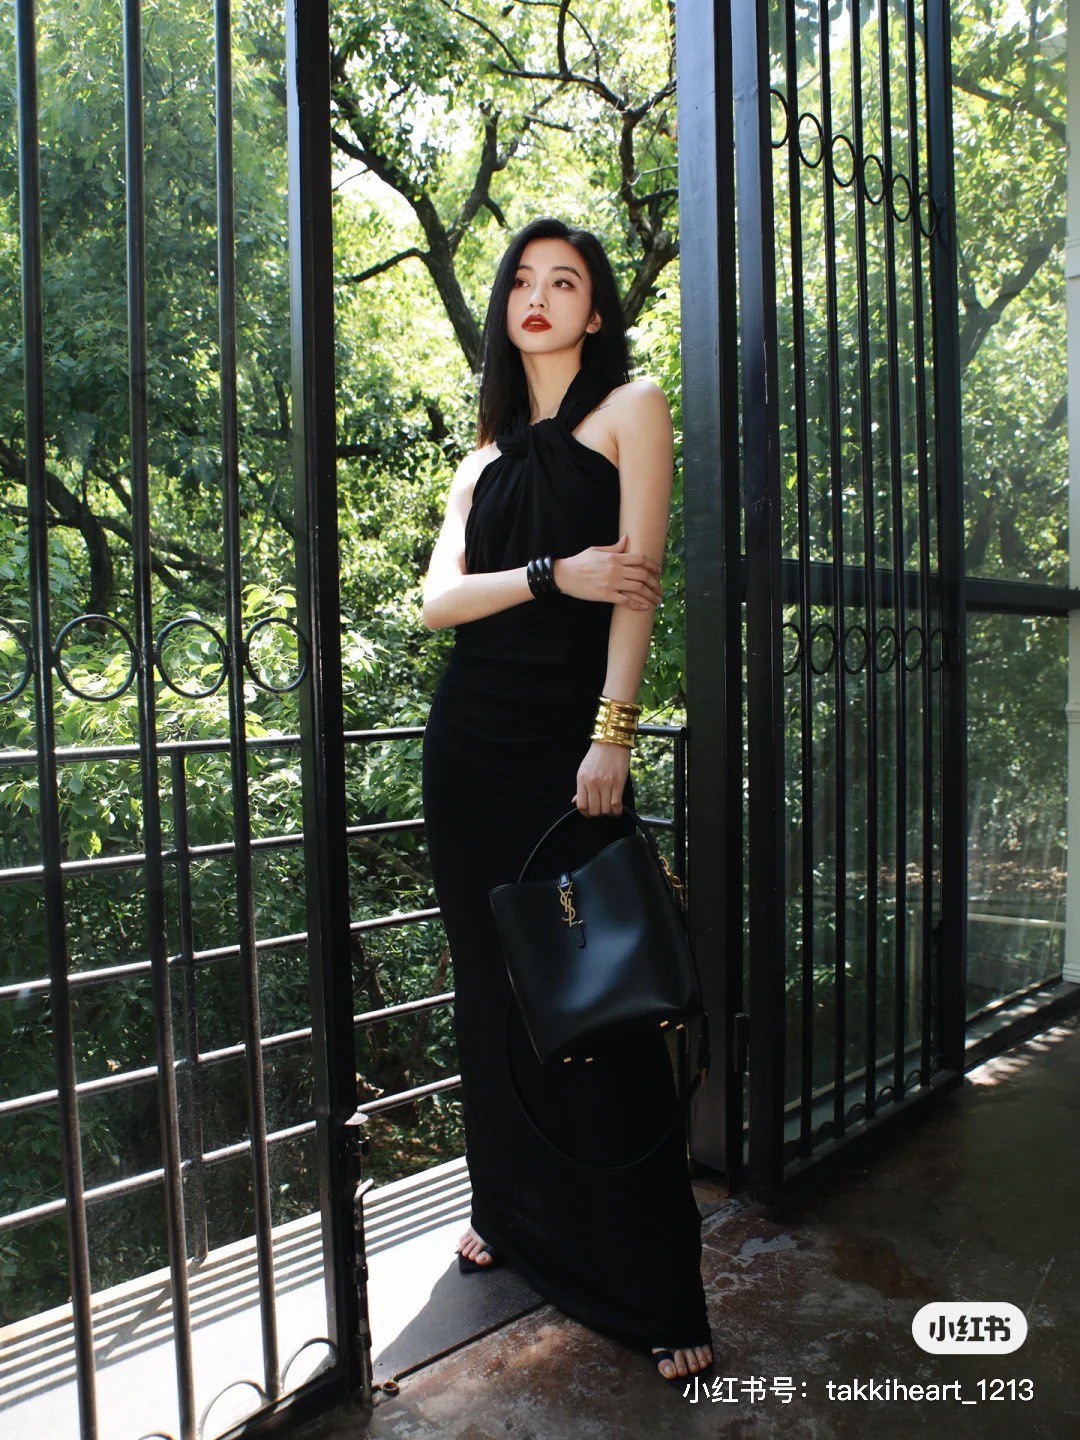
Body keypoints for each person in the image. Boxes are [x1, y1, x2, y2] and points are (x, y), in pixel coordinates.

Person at [420, 216, 714, 1384]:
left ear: (594, 313)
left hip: (569, 748)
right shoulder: (482, 460)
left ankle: (656, 1285)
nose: (538, 297)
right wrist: (552, 574)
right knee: (490, 991)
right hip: (469, 750)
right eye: (523, 282)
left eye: (566, 282)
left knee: (605, 1009)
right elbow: (438, 603)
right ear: (507, 309)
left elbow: (636, 589)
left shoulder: (631, 407)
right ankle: (508, 1212)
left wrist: (613, 736)